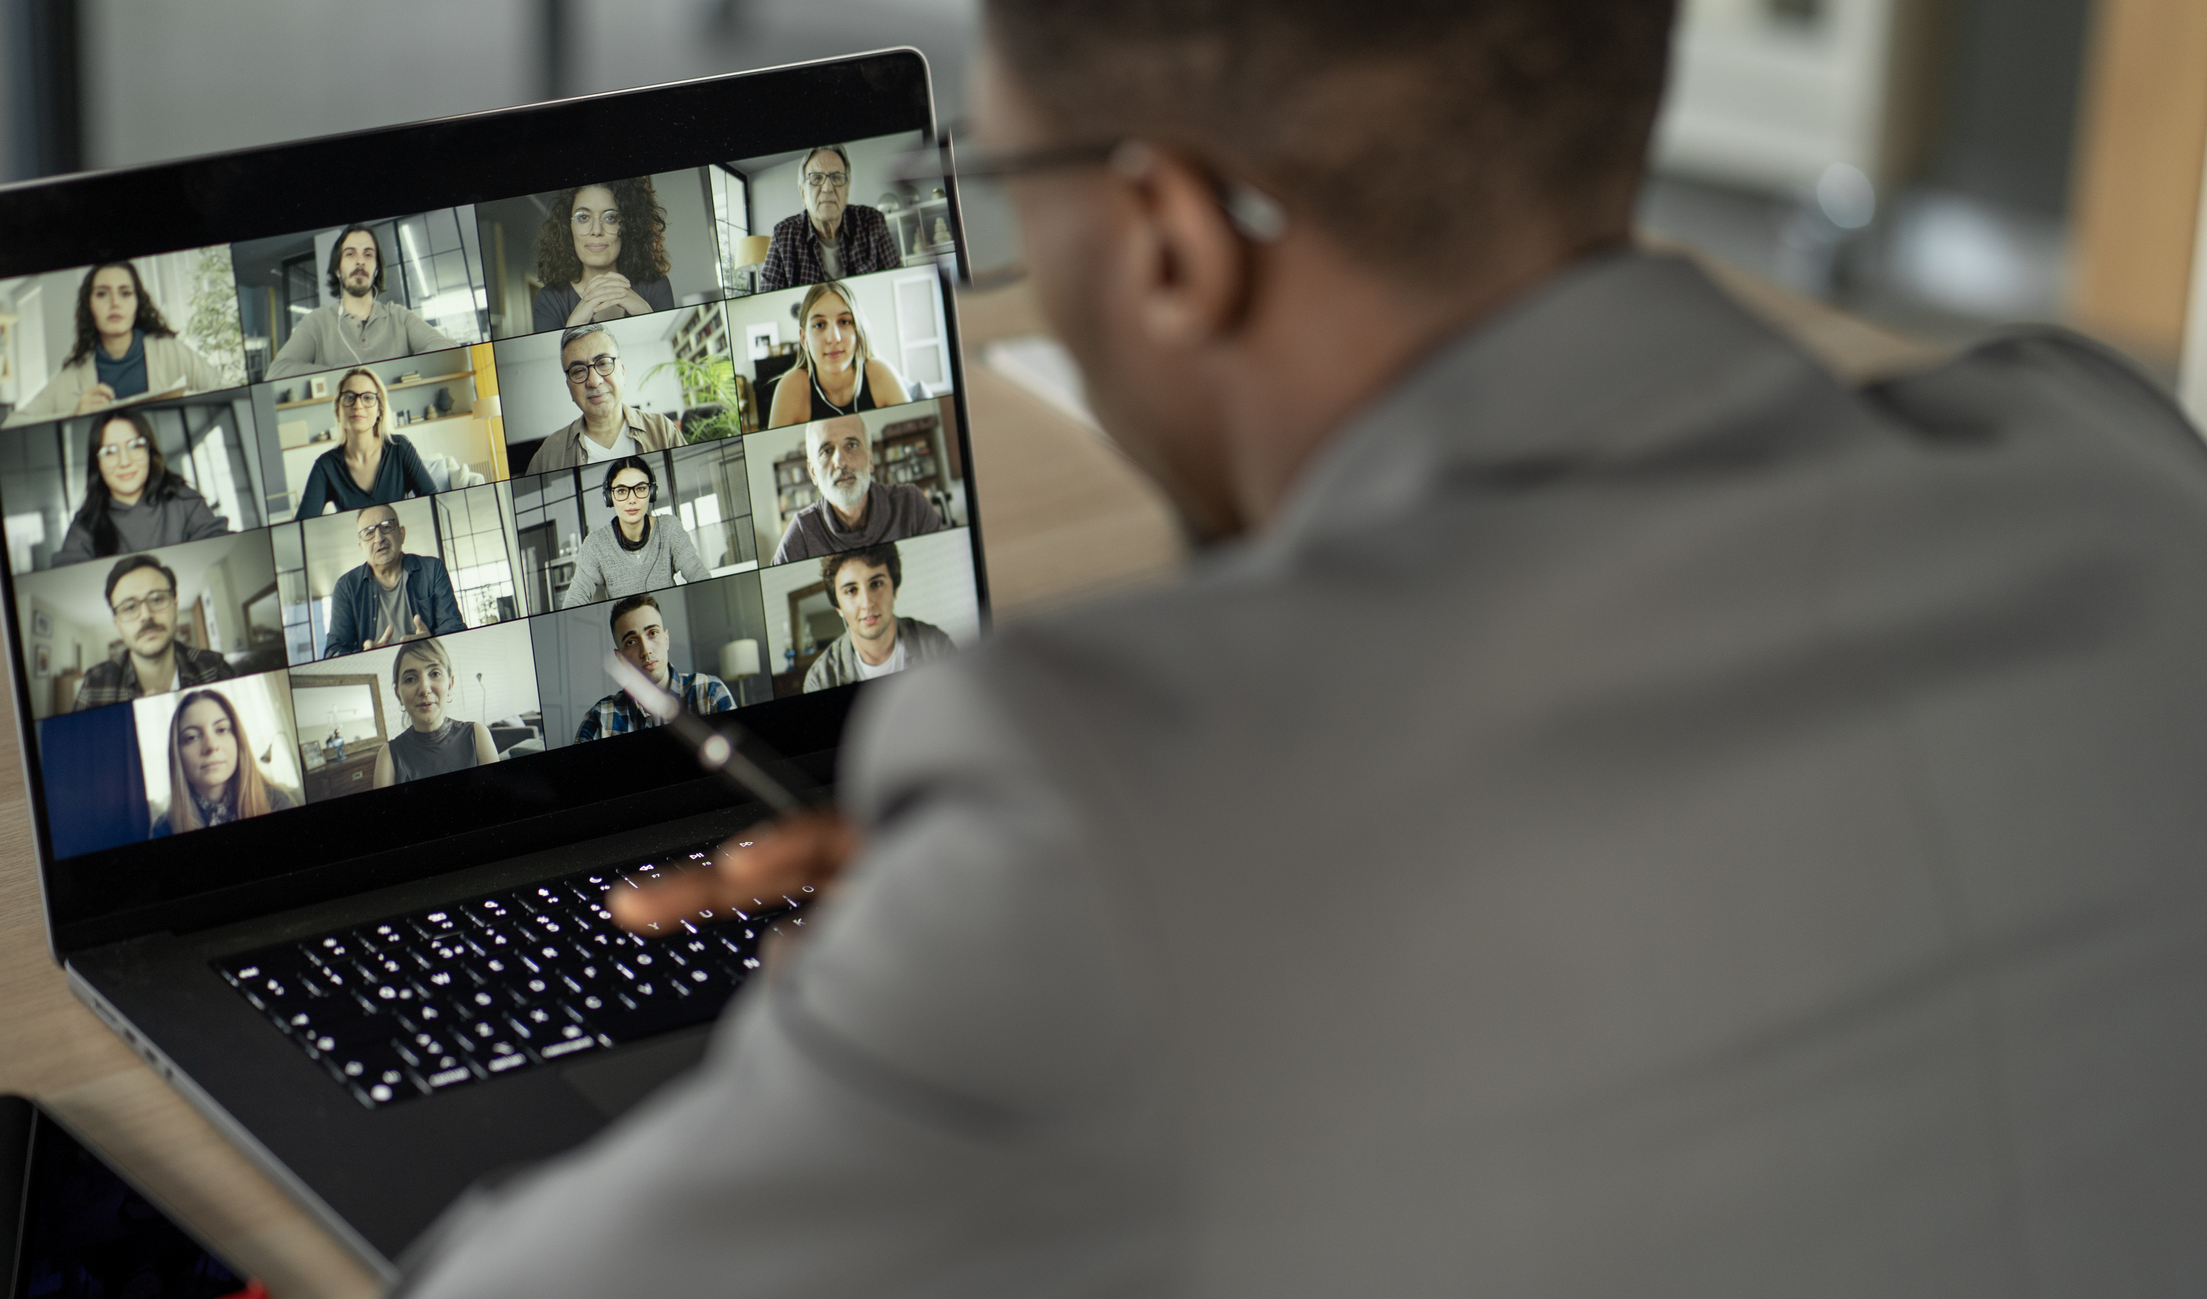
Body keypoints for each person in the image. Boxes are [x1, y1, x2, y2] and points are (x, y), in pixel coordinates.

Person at [403, 2, 2207, 1296]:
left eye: (1019, 184)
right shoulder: (2113, 467)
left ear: (1176, 238)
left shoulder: (1097, 809)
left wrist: (944, 984)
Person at [6, 261, 229, 425]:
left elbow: (225, 392)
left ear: (136, 303)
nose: (114, 303)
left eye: (125, 293)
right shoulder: (72, 374)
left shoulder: (168, 350)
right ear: (89, 306)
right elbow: (11, 424)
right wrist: (74, 416)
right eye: (102, 294)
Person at [266, 225, 459, 378]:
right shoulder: (317, 322)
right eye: (350, 254)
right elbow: (278, 371)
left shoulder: (401, 317)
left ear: (376, 270)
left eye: (368, 254)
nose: (360, 261)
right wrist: (351, 374)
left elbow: (448, 348)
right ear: (338, 270)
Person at [49, 412, 229, 566]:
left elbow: (219, 544)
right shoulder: (85, 525)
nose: (125, 462)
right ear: (98, 464)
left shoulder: (182, 499)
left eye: (135, 446)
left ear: (148, 451)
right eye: (110, 451)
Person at [770, 414, 943, 563]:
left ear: (870, 459)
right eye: (826, 451)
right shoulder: (800, 534)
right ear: (813, 472)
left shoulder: (910, 503)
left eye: (851, 445)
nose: (840, 462)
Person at [71, 555, 237, 710]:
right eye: (129, 607)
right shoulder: (95, 685)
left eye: (157, 599)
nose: (146, 615)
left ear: (175, 607)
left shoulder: (214, 667)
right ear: (118, 625)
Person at [575, 593, 736, 742]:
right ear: (620, 658)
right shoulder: (599, 718)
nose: (646, 651)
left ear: (666, 639)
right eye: (631, 641)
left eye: (652, 633)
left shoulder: (710, 692)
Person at [523, 325, 684, 473]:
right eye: (578, 371)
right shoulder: (548, 456)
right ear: (569, 387)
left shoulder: (662, 430)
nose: (594, 381)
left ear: (622, 372)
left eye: (603, 363)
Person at [801, 542, 955, 691]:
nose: (867, 604)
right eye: (851, 591)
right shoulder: (820, 680)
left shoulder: (936, 644)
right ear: (837, 606)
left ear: (894, 589)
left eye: (876, 584)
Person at [530, 180, 676, 332]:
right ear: (568, 227)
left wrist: (646, 315)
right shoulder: (548, 299)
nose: (597, 230)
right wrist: (574, 325)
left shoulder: (656, 286)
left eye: (610, 217)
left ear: (628, 225)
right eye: (583, 217)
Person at [560, 456, 707, 606]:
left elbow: (697, 573)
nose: (632, 499)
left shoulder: (669, 528)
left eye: (641, 488)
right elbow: (576, 596)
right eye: (622, 491)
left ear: (652, 492)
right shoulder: (595, 544)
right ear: (609, 497)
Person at [323, 505, 467, 658]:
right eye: (368, 533)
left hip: (428, 661)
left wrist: (431, 642)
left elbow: (454, 627)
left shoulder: (432, 569)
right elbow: (334, 652)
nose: (379, 538)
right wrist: (364, 657)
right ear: (361, 546)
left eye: (386, 526)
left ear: (401, 534)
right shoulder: (346, 587)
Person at [294, 367, 439, 519]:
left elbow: (434, 501)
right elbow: (301, 525)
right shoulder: (325, 466)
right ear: (338, 411)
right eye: (349, 397)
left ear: (379, 410)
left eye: (368, 397)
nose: (358, 405)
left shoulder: (400, 448)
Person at [764, 280, 910, 429]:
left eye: (844, 322)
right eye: (819, 325)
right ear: (803, 338)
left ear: (857, 331)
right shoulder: (791, 387)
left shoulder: (881, 374)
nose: (833, 338)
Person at [757, 145, 905, 292]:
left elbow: (898, 285)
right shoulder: (783, 235)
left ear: (846, 192)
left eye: (836, 177)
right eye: (816, 178)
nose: (827, 188)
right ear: (803, 193)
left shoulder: (873, 221)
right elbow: (767, 300)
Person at [150, 689, 296, 835]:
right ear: (177, 754)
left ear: (238, 740)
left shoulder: (276, 803)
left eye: (221, 729)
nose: (211, 746)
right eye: (191, 737)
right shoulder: (164, 828)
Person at [383, 637, 500, 782]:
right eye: (410, 679)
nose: (425, 689)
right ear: (398, 694)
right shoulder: (388, 755)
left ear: (450, 684)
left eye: (435, 674)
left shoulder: (477, 735)